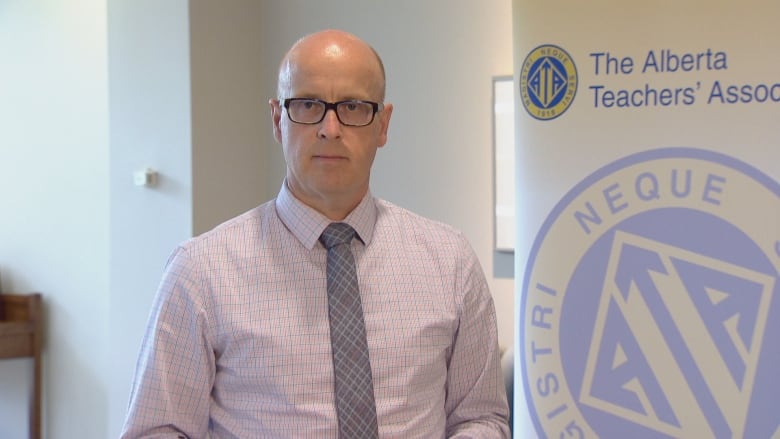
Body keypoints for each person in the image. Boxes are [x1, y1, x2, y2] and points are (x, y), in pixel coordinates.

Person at [121, 29, 510, 438]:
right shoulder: (200, 271)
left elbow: (480, 418)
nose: (329, 128)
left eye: (353, 107)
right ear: (277, 119)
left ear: (383, 124)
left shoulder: (450, 263)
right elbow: (157, 429)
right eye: (307, 105)